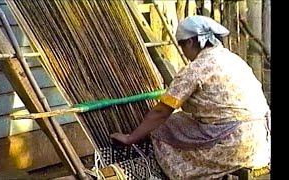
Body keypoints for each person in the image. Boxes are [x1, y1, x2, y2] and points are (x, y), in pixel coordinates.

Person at [110, 15, 271, 179]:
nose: (184, 52)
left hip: (232, 147)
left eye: (182, 46)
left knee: (163, 127)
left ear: (190, 42)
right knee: (183, 119)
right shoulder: (233, 59)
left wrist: (130, 138)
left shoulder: (196, 69)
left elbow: (161, 111)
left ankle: (184, 175)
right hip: (260, 144)